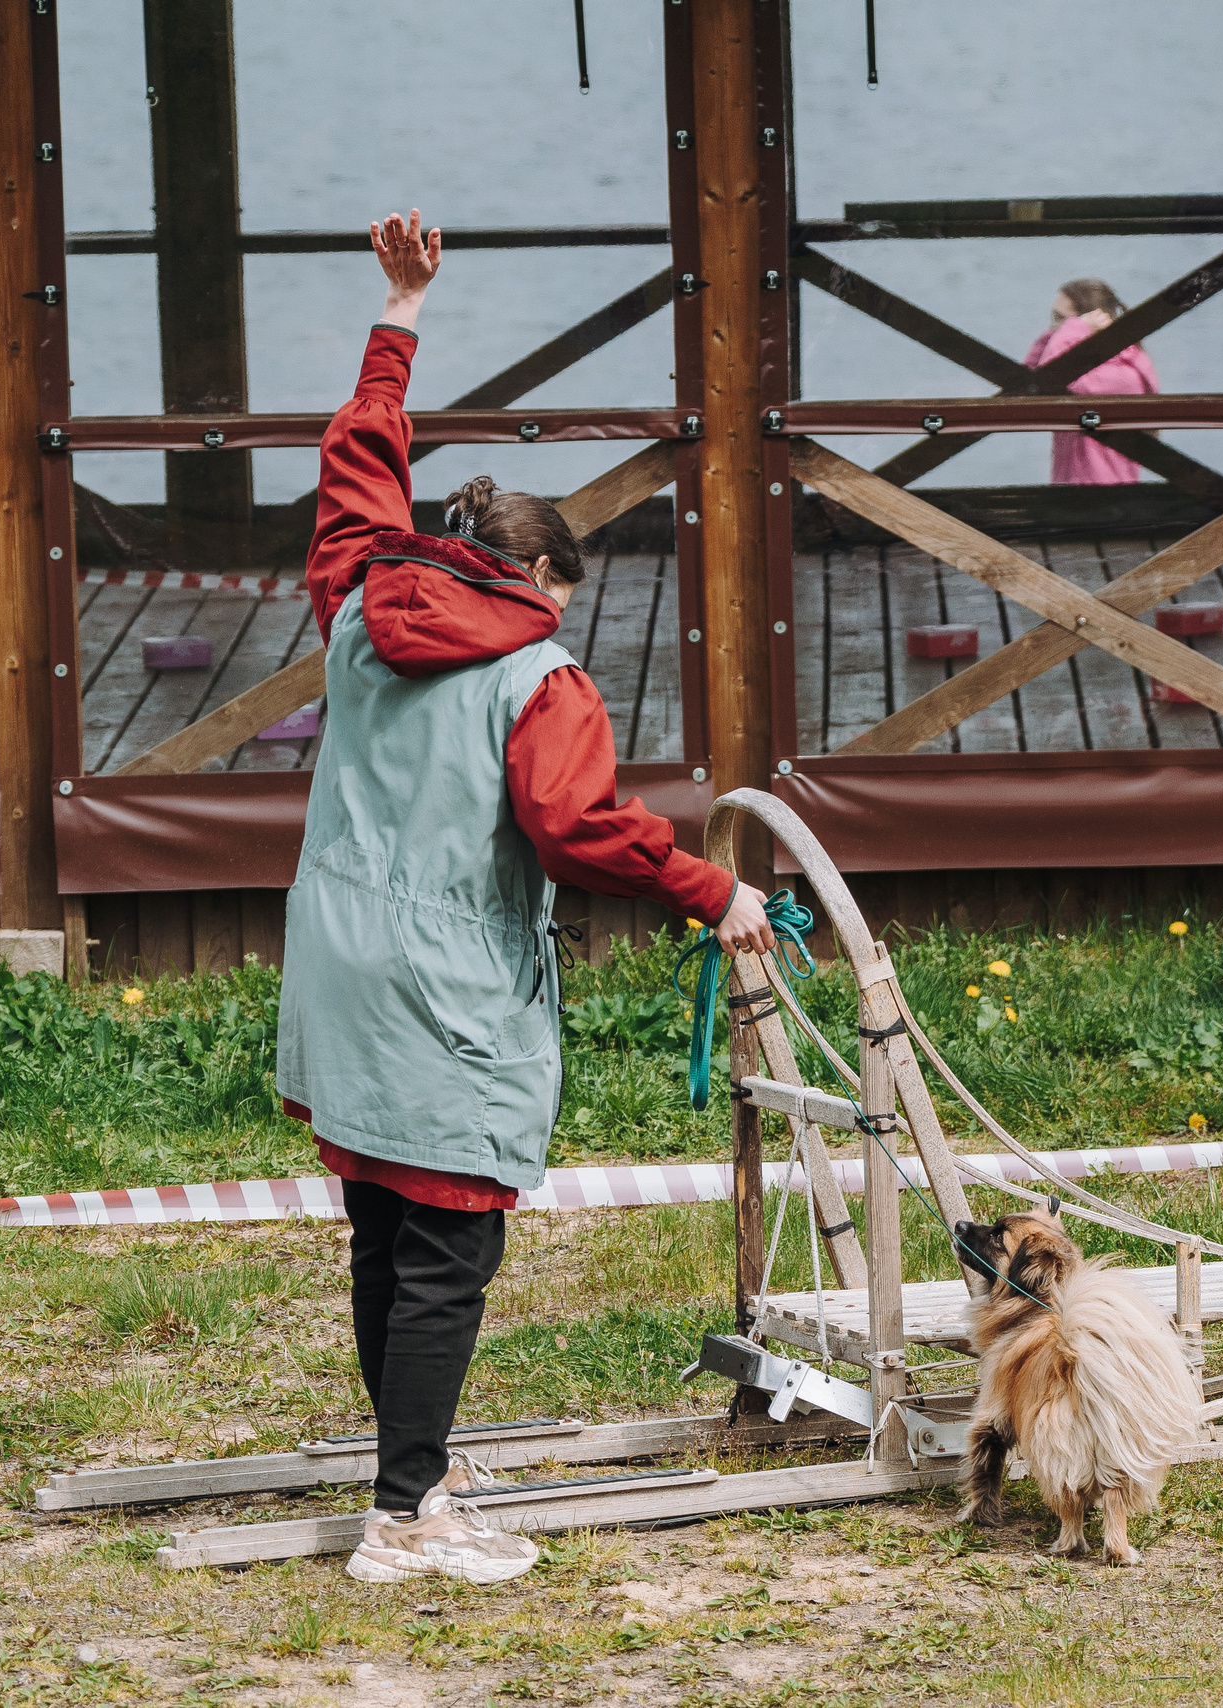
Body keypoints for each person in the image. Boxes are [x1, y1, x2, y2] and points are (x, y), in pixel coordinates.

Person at [276, 209, 778, 1584]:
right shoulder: (539, 677)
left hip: (337, 956)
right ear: (544, 578)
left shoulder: (359, 602)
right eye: (570, 588)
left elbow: (355, 465)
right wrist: (712, 889)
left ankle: (417, 1464)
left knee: (384, 1224)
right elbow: (577, 830)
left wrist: (400, 315)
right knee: (450, 1241)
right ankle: (405, 1520)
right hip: (448, 978)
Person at [1026, 278, 1159, 484]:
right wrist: (1055, 333)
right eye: (1054, 317)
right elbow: (1027, 379)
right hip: (1071, 488)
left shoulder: (1123, 372)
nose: (1055, 326)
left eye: (1061, 318)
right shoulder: (1073, 357)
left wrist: (1074, 329)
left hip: (1106, 491)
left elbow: (1051, 380)